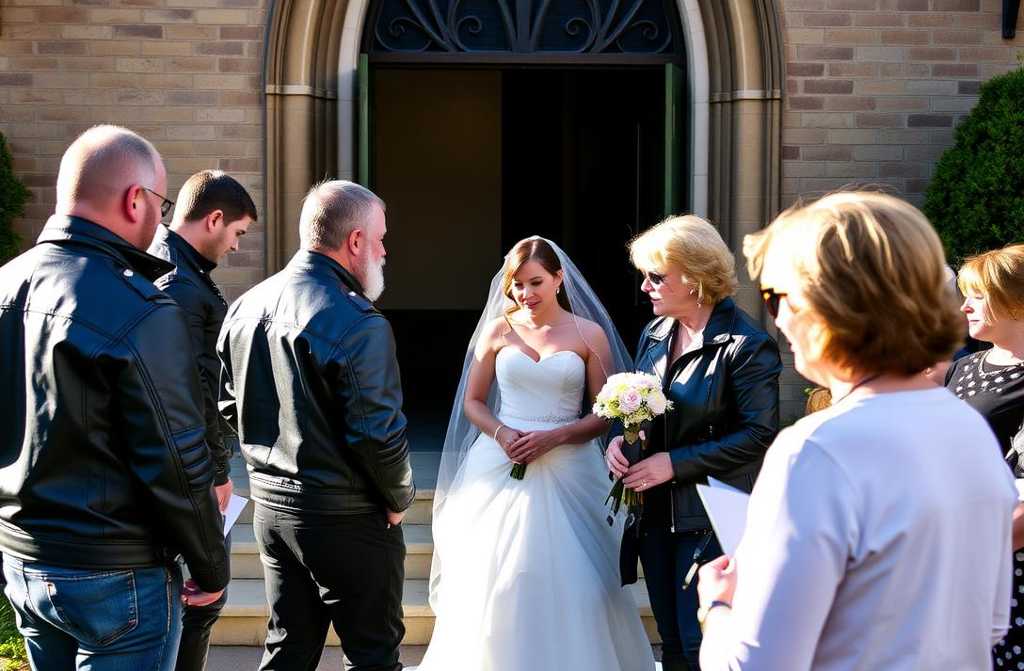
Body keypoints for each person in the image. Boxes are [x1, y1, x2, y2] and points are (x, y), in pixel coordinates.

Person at [697, 192, 1017, 670]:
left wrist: (717, 606)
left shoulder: (817, 448)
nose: (776, 318)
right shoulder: (967, 426)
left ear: (828, 306)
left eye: (776, 297)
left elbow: (756, 664)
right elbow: (990, 623)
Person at [0, 125, 229, 670]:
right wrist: (210, 566)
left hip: (23, 558)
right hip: (116, 571)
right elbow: (175, 459)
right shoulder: (141, 308)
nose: (161, 220)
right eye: (161, 204)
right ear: (135, 200)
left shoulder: (6, 283)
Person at [419, 236, 656, 671]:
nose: (524, 293)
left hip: (571, 466)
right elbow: (473, 402)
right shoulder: (498, 330)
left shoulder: (588, 334)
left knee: (579, 583)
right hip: (500, 462)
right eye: (516, 284)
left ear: (558, 278)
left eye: (535, 282)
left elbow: (604, 413)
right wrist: (502, 433)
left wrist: (557, 436)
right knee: (495, 581)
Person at [217, 180, 414, 671]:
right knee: (373, 658)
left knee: (287, 651)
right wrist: (398, 498)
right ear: (355, 241)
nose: (385, 252)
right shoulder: (357, 321)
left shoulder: (246, 304)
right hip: (347, 518)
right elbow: (378, 435)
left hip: (271, 510)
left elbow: (228, 406)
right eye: (380, 239)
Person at [605, 215, 781, 671]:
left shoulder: (746, 345)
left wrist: (673, 463)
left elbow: (759, 435)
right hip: (652, 513)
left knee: (699, 641)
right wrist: (618, 440)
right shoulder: (655, 333)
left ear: (696, 276)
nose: (645, 287)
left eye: (656, 277)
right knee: (672, 642)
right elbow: (637, 406)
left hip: (709, 515)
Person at [148, 169, 257, 671]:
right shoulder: (182, 286)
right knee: (203, 599)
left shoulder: (171, 267)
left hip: (180, 463)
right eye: (238, 232)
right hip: (191, 470)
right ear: (214, 219)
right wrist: (216, 473)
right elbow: (191, 393)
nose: (236, 246)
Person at [944, 243, 1024, 668]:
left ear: (1016, 302)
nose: (964, 306)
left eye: (978, 296)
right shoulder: (964, 367)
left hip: (1004, 558)